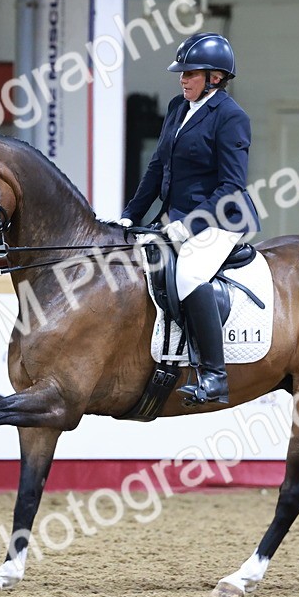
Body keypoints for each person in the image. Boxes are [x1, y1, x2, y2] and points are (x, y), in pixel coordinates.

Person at [119, 31, 261, 405]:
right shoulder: (177, 108)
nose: (182, 79)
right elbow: (156, 167)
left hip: (220, 219)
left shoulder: (232, 118)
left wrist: (191, 223)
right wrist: (130, 216)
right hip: (176, 217)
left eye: (190, 73)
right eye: (181, 73)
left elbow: (231, 185)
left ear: (215, 77)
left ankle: (215, 376)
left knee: (190, 274)